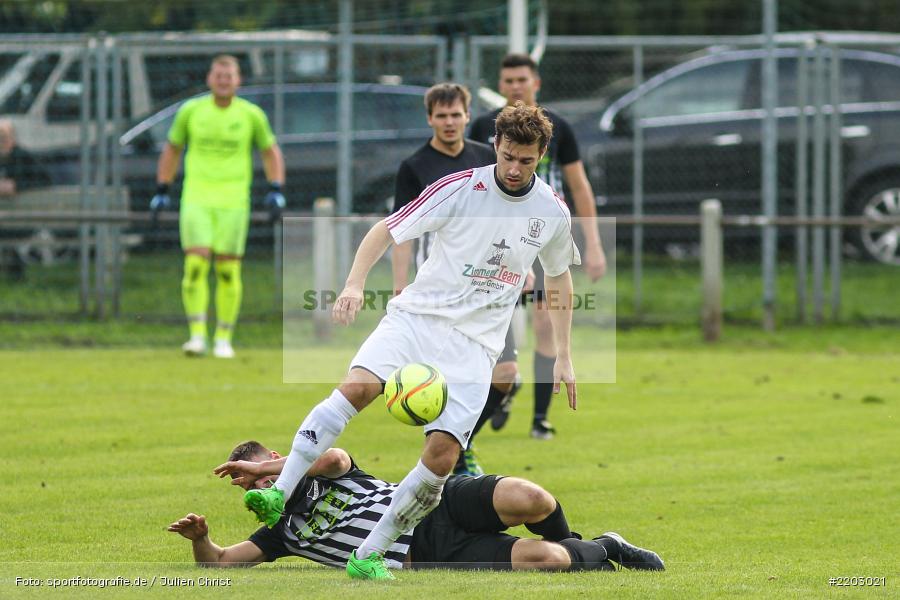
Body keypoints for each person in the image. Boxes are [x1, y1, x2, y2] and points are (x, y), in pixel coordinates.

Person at [243, 102, 580, 580]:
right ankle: (280, 489)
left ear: (541, 155)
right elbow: (387, 229)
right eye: (507, 156)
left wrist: (564, 355)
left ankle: (371, 555)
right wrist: (355, 283)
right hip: (417, 319)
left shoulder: (550, 210)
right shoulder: (460, 188)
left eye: (525, 161)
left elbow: (561, 277)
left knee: (442, 459)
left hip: (475, 347)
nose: (513, 168)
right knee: (357, 388)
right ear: (498, 147)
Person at [167, 440, 665, 573]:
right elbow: (221, 563)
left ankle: (572, 542)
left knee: (530, 498)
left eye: (261, 474)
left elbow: (337, 456)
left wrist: (274, 471)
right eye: (247, 485)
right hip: (426, 553)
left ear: (278, 461)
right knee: (549, 562)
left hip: (432, 499)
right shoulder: (281, 535)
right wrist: (201, 540)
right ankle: (603, 547)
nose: (258, 488)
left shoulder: (320, 467)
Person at [469, 53, 607, 441]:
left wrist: (593, 244)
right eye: (508, 80)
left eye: (522, 80)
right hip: (497, 242)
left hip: (542, 237)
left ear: (536, 84)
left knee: (547, 322)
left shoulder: (559, 128)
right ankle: (505, 384)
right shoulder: (485, 126)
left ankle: (540, 418)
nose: (515, 86)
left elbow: (579, 186)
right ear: (500, 84)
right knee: (495, 325)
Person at [389, 82, 520, 477]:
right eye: (441, 116)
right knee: (442, 383)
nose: (449, 122)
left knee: (506, 376)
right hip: (441, 294)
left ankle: (461, 442)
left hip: (490, 290)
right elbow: (401, 230)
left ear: (467, 116)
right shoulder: (414, 167)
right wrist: (400, 287)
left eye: (456, 114)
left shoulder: (486, 158)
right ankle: (448, 456)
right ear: (430, 119)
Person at [149, 55, 286, 359]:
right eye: (218, 75)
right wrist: (162, 187)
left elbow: (270, 151)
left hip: (234, 201)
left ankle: (224, 337)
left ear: (238, 81)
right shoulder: (191, 111)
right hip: (197, 197)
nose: (224, 80)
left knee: (227, 269)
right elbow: (172, 149)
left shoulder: (251, 115)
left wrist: (276, 187)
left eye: (230, 75)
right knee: (196, 265)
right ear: (210, 78)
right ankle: (197, 335)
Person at [0, 119, 52, 196]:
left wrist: (16, 185)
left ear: (13, 138)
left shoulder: (24, 157)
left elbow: (45, 181)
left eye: (3, 138)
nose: (1, 142)